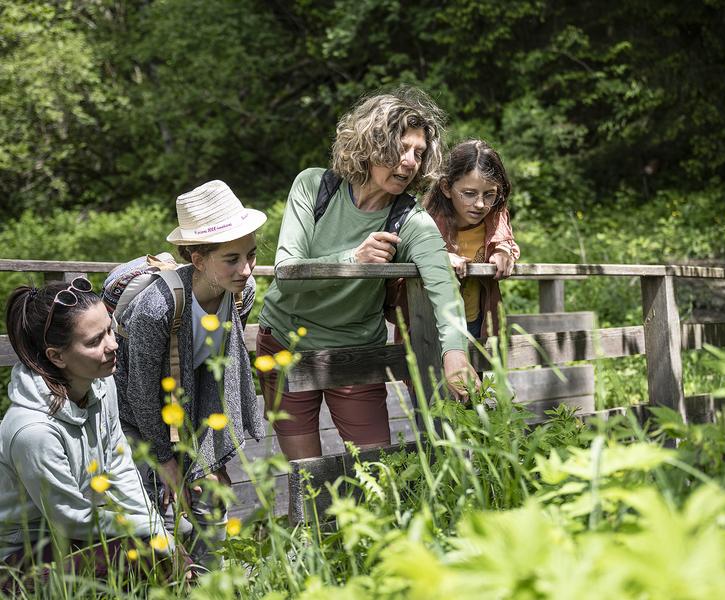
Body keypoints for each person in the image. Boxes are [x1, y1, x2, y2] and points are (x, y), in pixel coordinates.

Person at [257, 87, 478, 460]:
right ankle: (311, 523)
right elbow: (286, 272)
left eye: (418, 153)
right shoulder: (315, 186)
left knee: (377, 470)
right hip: (285, 344)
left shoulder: (411, 221)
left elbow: (442, 288)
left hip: (356, 354)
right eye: (400, 148)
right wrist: (353, 259)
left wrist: (455, 352)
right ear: (370, 143)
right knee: (305, 474)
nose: (409, 162)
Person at [114, 180, 266, 565]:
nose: (247, 269)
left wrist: (209, 458)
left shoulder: (239, 293)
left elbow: (214, 371)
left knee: (211, 505)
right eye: (232, 259)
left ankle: (209, 583)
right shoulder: (158, 307)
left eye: (251, 255)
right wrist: (167, 461)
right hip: (137, 418)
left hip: (191, 413)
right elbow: (140, 391)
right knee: (163, 513)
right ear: (198, 259)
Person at [0, 279, 176, 581]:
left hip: (76, 536)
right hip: (22, 558)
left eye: (111, 329)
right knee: (144, 553)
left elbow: (119, 465)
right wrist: (147, 533)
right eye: (95, 341)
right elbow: (71, 520)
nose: (113, 344)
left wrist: (157, 528)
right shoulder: (33, 431)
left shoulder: (101, 383)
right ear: (56, 356)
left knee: (163, 545)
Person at [396, 139, 520, 339]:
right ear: (446, 187)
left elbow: (506, 241)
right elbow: (405, 255)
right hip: (430, 324)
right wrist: (437, 257)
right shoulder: (424, 221)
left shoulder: (494, 219)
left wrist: (503, 251)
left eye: (489, 195)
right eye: (469, 194)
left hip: (477, 323)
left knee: (476, 369)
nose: (480, 204)